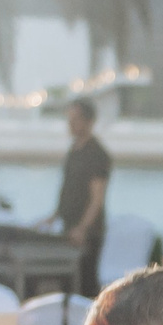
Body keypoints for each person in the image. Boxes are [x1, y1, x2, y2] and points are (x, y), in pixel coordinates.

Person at [55, 97, 112, 295]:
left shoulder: (97, 154)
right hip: (68, 226)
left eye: (76, 119)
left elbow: (97, 199)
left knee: (85, 282)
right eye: (69, 119)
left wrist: (82, 229)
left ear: (89, 121)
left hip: (89, 233)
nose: (71, 124)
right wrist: (54, 215)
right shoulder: (73, 150)